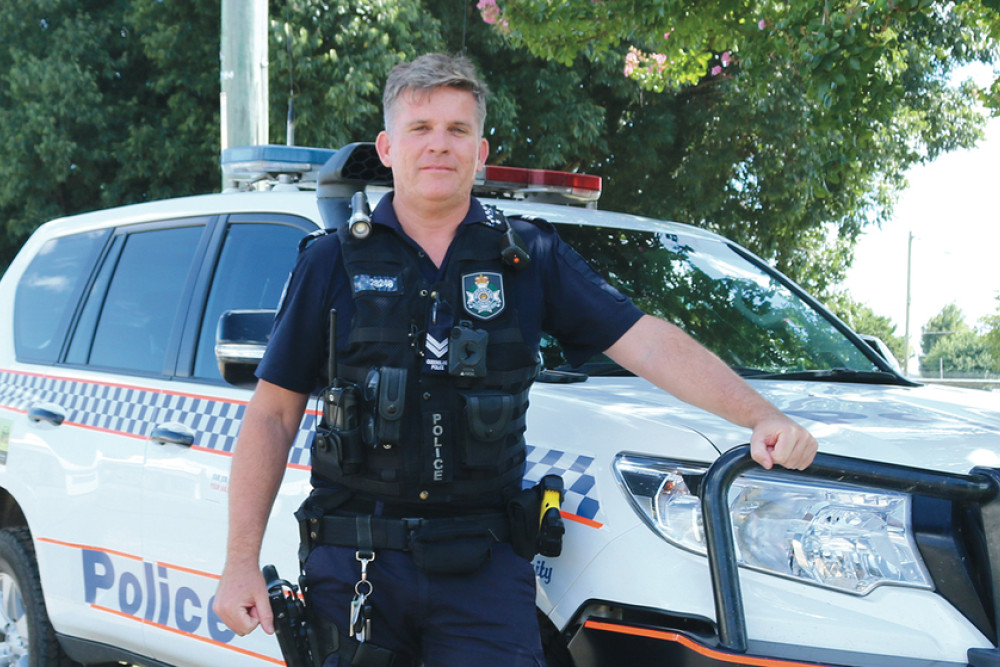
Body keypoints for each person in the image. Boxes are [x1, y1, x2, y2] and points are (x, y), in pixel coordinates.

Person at [213, 52, 818, 666]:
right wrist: (240, 563)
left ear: (481, 151)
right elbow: (272, 415)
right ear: (388, 147)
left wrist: (760, 416)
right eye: (420, 129)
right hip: (356, 567)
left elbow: (647, 341)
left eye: (458, 130)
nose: (439, 146)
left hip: (483, 568)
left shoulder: (527, 255)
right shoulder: (330, 260)